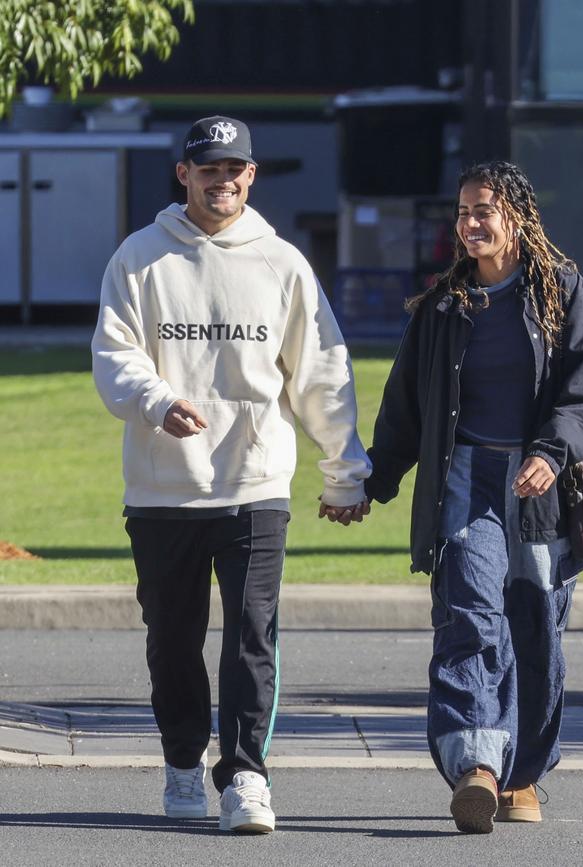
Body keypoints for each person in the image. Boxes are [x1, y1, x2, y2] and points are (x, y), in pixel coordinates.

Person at [91, 114, 370, 833]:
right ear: (184, 174)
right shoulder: (139, 258)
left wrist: (344, 472)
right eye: (208, 168)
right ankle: (184, 762)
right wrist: (156, 402)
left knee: (251, 635)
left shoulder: (282, 264)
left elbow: (321, 373)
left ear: (251, 176)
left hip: (255, 486)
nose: (223, 180)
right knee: (172, 640)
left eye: (235, 169)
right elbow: (115, 356)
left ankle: (246, 774)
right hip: (163, 490)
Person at [364, 161, 583, 834]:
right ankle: (477, 764)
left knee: (534, 625)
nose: (470, 223)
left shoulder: (563, 294)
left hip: (541, 487)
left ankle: (524, 771)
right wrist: (371, 483)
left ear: (517, 219)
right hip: (465, 477)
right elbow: (404, 413)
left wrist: (549, 452)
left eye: (484, 211)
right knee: (470, 615)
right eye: (463, 212)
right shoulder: (441, 309)